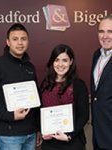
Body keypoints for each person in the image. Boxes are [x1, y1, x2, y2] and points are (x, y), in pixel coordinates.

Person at [0, 23, 42, 150]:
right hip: (9, 135)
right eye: (15, 39)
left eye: (23, 39)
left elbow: (35, 100)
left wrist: (38, 129)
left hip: (30, 133)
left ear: (28, 41)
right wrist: (10, 115)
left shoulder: (30, 67)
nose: (20, 43)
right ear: (7, 42)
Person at [40, 44, 89, 150]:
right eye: (57, 60)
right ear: (52, 62)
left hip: (72, 142)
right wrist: (42, 131)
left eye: (65, 60)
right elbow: (39, 111)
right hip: (49, 142)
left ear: (71, 62)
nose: (60, 64)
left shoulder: (79, 85)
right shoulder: (45, 84)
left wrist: (69, 136)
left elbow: (84, 115)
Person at [90, 14, 112, 150]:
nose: (105, 36)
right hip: (98, 131)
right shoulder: (96, 55)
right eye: (101, 31)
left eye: (110, 32)